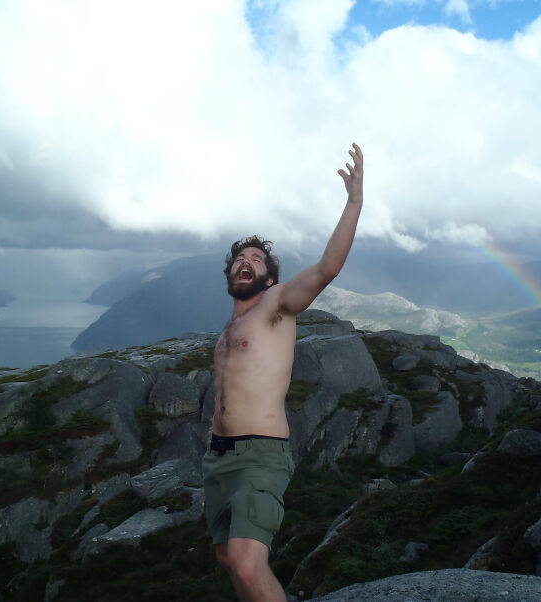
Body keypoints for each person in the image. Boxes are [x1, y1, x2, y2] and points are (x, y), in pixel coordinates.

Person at [202, 143, 363, 602]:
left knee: (249, 561)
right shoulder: (230, 327)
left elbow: (328, 268)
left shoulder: (276, 307)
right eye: (239, 259)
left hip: (260, 454)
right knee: (228, 558)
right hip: (218, 458)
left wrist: (353, 203)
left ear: (270, 278)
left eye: (255, 259)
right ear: (230, 274)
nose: (245, 262)